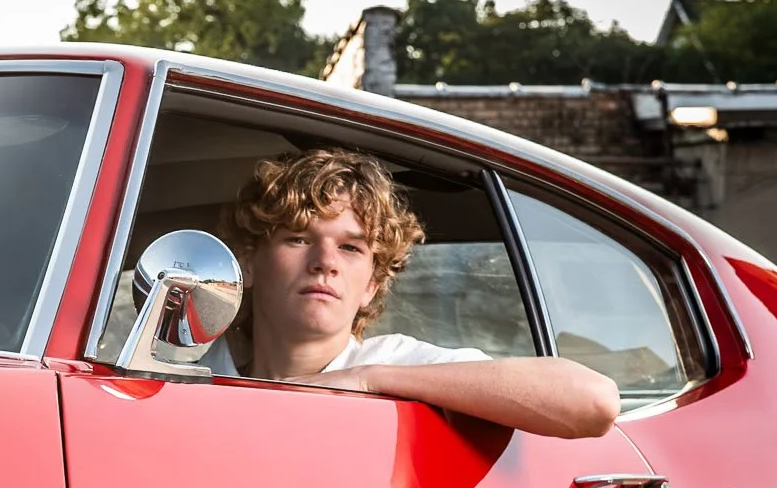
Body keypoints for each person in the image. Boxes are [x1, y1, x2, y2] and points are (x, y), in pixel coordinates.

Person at [201, 147, 620, 439]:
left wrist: (369, 381)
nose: (325, 261)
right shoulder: (191, 376)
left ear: (371, 286)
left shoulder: (391, 365)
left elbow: (593, 401)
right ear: (249, 263)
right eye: (298, 239)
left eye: (350, 247)